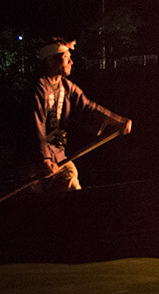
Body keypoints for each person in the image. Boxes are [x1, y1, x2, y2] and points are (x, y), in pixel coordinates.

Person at [30, 39, 132, 191]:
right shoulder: (39, 87)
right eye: (66, 56)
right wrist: (44, 158)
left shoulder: (67, 87)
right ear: (51, 60)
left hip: (58, 158)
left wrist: (118, 121)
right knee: (34, 202)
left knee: (72, 184)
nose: (71, 61)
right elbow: (36, 125)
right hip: (34, 159)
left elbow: (89, 107)